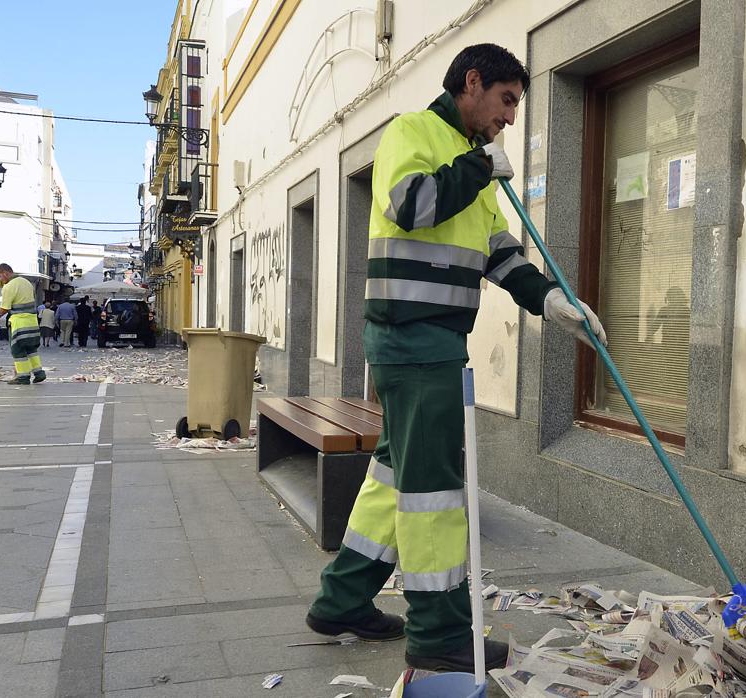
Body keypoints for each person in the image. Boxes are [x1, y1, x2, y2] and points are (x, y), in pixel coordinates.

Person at [305, 44, 606, 673]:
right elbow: (409, 205)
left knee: (396, 477)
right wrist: (478, 169)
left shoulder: (476, 168)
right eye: (506, 100)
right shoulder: (411, 133)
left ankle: (341, 599)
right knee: (433, 490)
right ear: (472, 82)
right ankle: (441, 634)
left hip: (428, 343)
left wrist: (553, 302)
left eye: (516, 106)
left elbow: (499, 254)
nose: (511, 118)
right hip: (412, 343)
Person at [0, 264, 45, 384]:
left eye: (0, 276)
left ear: (6, 273)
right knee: (31, 349)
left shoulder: (8, 287)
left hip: (19, 324)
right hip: (32, 321)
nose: (0, 279)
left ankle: (23, 377)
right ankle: (39, 373)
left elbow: (5, 308)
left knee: (18, 350)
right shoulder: (26, 282)